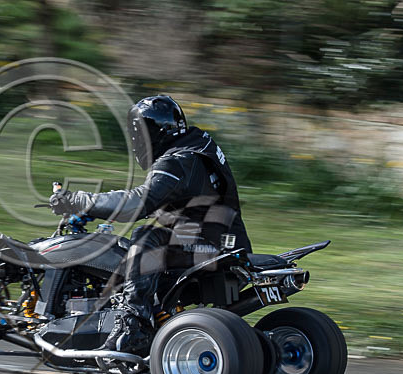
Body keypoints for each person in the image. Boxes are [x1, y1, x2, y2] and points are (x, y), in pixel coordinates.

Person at [49, 95, 252, 352]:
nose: (136, 142)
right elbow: (179, 200)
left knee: (146, 238)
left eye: (139, 135)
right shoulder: (196, 144)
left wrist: (80, 201)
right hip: (223, 245)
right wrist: (97, 210)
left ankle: (133, 326)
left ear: (155, 133)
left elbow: (139, 202)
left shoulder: (177, 161)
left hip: (210, 250)